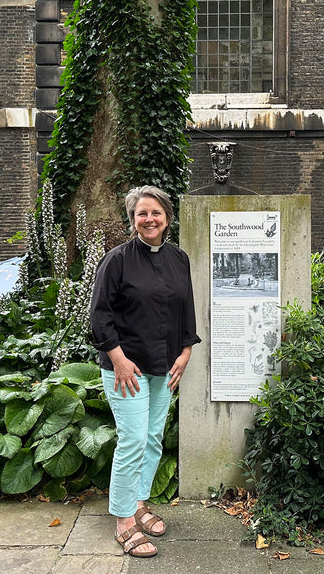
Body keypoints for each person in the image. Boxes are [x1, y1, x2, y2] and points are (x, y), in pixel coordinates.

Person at [89, 185, 201, 558]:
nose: (149, 219)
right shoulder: (116, 260)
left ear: (167, 218)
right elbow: (99, 315)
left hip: (165, 365)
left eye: (156, 213)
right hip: (127, 367)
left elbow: (186, 308)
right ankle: (123, 522)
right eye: (142, 213)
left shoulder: (179, 258)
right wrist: (118, 358)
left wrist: (185, 351)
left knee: (153, 437)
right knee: (133, 439)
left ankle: (138, 503)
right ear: (133, 219)